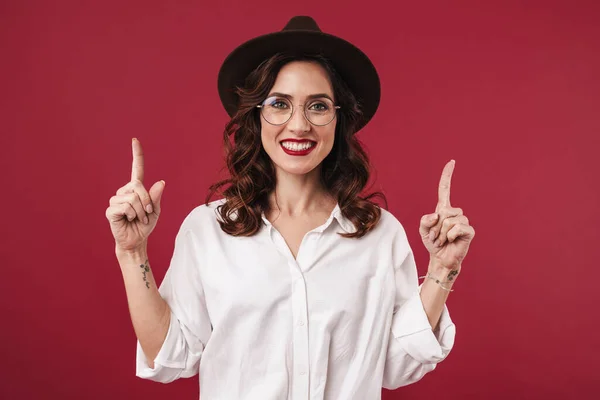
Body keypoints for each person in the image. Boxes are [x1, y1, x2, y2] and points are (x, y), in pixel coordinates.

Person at [105, 15, 475, 400]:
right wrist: (132, 254)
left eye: (317, 106)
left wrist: (443, 269)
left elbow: (398, 366)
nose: (298, 125)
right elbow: (170, 356)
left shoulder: (380, 234)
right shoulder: (207, 229)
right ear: (256, 115)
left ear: (338, 119)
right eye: (280, 104)